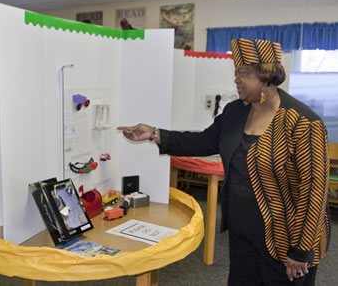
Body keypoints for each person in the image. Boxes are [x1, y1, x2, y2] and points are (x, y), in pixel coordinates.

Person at [118, 38, 330, 286]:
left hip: (285, 236)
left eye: (243, 73)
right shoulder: (235, 111)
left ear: (266, 76)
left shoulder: (303, 123)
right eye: (236, 72)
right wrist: (154, 134)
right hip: (241, 229)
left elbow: (314, 190)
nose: (236, 79)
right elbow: (203, 141)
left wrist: (301, 251)